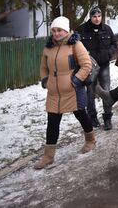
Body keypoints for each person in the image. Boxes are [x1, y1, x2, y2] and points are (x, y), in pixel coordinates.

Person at [36, 16, 95, 169]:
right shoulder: (48, 46)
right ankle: (48, 156)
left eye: (59, 30)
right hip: (54, 92)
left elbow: (86, 65)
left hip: (73, 90)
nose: (56, 33)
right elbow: (43, 67)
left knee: (81, 115)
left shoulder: (75, 44)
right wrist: (44, 80)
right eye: (54, 30)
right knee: (52, 123)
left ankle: (90, 140)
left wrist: (75, 81)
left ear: (66, 30)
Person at [76, 6, 117, 130]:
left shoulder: (107, 29)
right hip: (89, 66)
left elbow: (114, 43)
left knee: (106, 90)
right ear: (90, 17)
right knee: (90, 92)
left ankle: (107, 118)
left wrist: (109, 53)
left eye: (99, 16)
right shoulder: (82, 30)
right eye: (94, 16)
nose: (97, 19)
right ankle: (92, 118)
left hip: (104, 65)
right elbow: (75, 45)